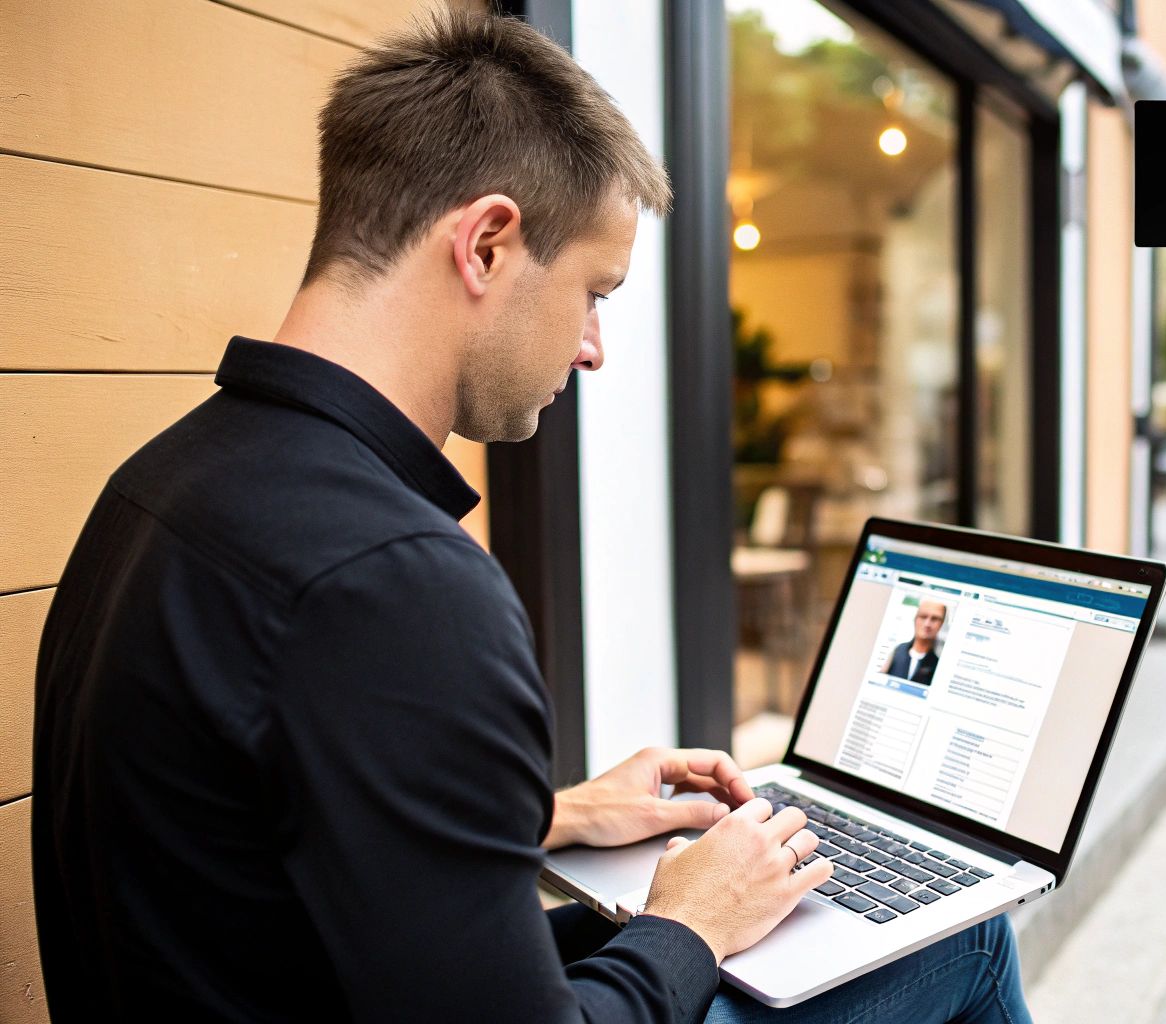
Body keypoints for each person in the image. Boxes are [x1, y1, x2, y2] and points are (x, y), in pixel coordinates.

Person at [30, 12, 1031, 1023]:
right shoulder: (398, 583)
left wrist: (560, 814)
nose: (592, 347)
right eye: (594, 291)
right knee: (967, 940)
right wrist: (691, 921)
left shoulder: (155, 487)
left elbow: (269, 842)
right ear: (488, 244)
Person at [882, 598, 948, 684]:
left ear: (942, 623)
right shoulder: (897, 651)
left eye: (935, 619)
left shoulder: (939, 665)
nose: (927, 624)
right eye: (923, 616)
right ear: (915, 619)